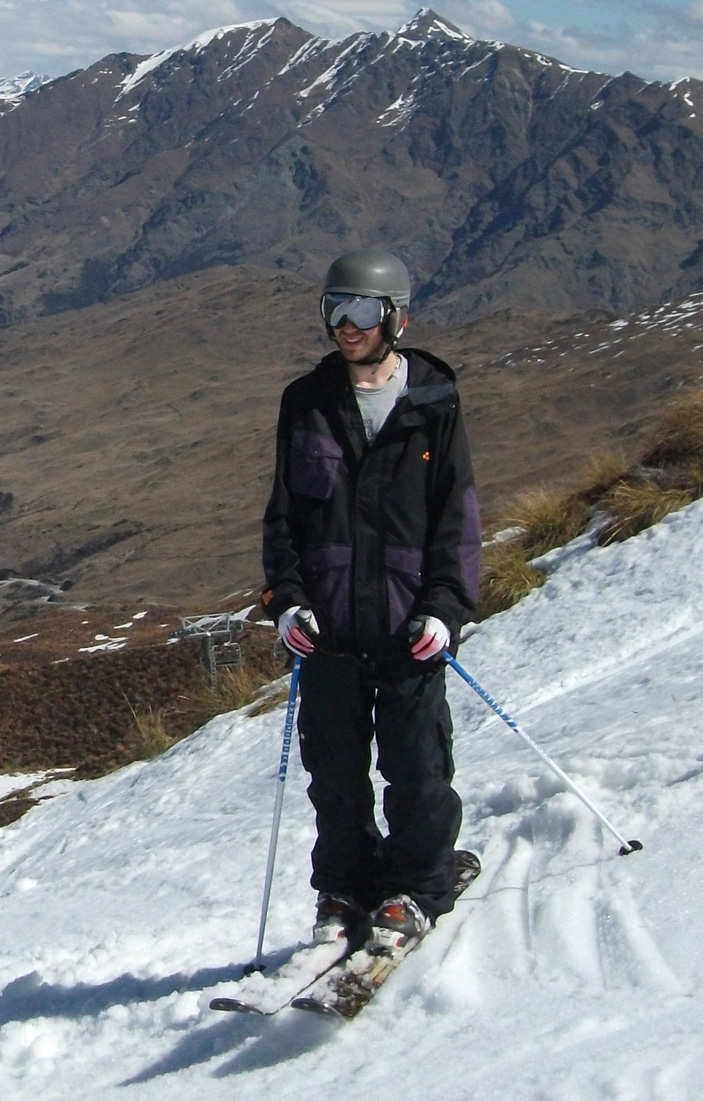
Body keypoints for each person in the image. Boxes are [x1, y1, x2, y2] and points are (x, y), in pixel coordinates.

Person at [260, 248, 481, 954]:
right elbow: (284, 517)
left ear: (397, 317)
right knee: (336, 778)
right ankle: (347, 885)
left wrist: (446, 609)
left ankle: (418, 884)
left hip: (407, 627)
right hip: (329, 633)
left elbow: (458, 519)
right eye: (334, 310)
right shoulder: (307, 402)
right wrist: (288, 602)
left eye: (359, 311)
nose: (345, 327)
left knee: (417, 768)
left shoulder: (434, 405)